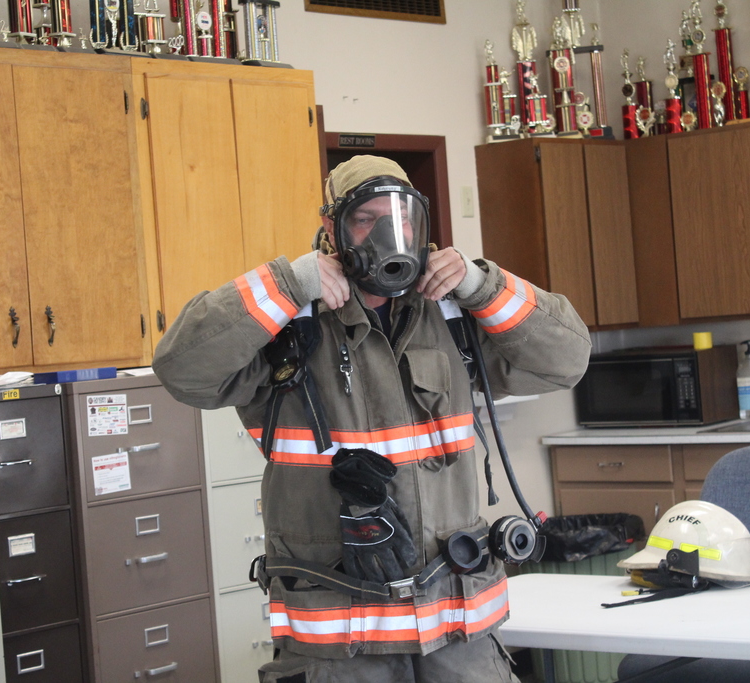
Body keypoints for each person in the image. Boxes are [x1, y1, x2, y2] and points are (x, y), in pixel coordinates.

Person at [153, 155, 591, 682]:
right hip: (342, 650)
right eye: (367, 219)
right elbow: (181, 369)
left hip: (460, 638)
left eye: (402, 218)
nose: (390, 233)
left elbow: (567, 361)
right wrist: (287, 285)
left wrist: (484, 287)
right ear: (332, 229)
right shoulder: (287, 323)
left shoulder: (451, 315)